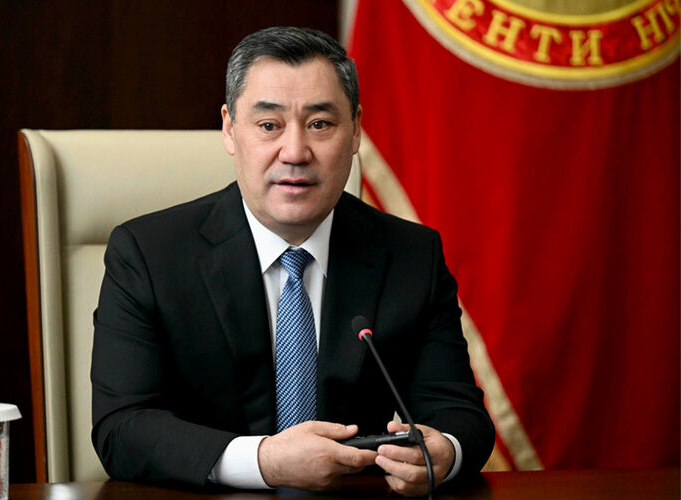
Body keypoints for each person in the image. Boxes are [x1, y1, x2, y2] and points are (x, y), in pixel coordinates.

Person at [91, 26, 494, 496]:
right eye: (269, 125)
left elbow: (460, 415)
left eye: (320, 124)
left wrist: (445, 451)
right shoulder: (147, 254)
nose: (296, 152)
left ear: (356, 130)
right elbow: (122, 429)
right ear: (229, 128)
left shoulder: (411, 256)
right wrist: (264, 461)